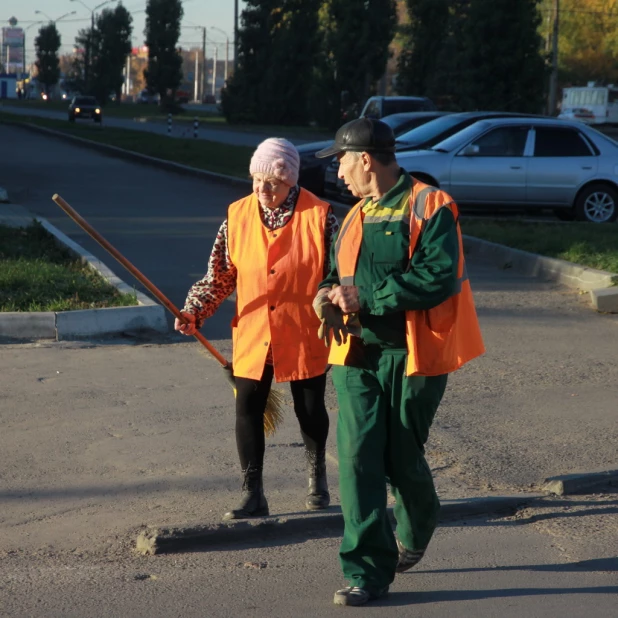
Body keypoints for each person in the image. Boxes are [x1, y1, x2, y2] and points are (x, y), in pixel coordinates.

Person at [313, 118, 485, 606]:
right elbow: (333, 274)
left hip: (413, 356)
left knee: (400, 459)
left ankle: (417, 523)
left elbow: (437, 278)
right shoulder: (352, 215)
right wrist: (323, 295)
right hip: (356, 356)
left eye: (342, 161)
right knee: (358, 456)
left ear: (365, 159)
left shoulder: (431, 206)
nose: (339, 172)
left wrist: (361, 296)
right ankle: (365, 572)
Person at [175, 137, 339, 521]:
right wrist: (193, 311)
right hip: (253, 330)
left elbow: (337, 272)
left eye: (274, 183)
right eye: (257, 181)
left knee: (309, 407)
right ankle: (253, 493)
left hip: (303, 329)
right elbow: (218, 277)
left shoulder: (320, 216)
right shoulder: (236, 216)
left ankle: (316, 477)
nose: (264, 190)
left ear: (292, 182)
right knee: (248, 406)